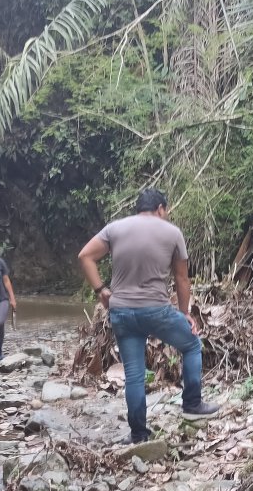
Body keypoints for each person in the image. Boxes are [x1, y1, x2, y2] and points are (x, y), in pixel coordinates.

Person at [77, 188, 220, 444]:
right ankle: (192, 403)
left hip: (120, 311)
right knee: (191, 344)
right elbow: (181, 278)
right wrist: (185, 313)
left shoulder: (115, 229)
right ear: (161, 209)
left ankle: (139, 434)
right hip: (156, 310)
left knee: (134, 373)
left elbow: (85, 256)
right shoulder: (172, 232)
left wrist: (100, 290)